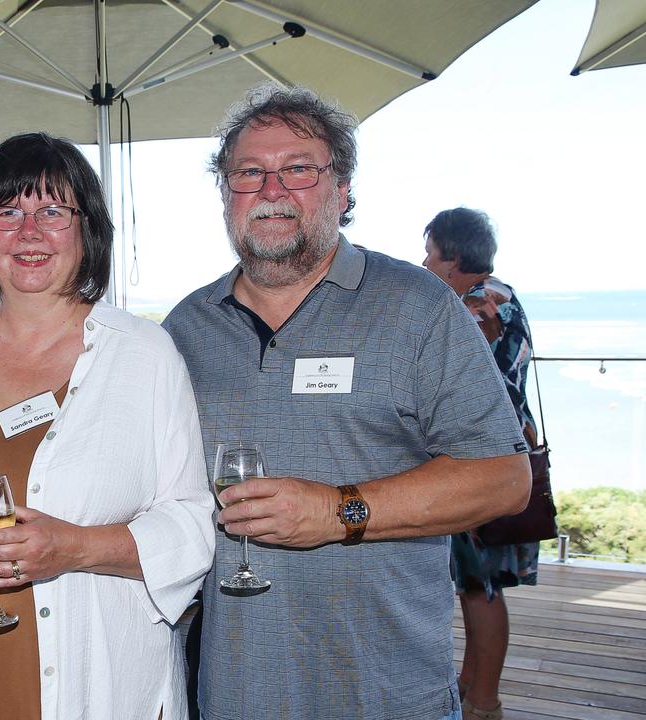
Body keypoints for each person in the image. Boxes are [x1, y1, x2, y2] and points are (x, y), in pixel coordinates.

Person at [162, 84, 532, 720]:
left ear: (343, 189)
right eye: (248, 172)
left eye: (299, 169)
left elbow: (504, 477)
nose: (271, 189)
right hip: (230, 691)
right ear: (226, 193)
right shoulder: (186, 328)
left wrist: (341, 511)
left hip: (384, 690)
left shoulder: (417, 307)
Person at [0, 132, 214, 719]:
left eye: (53, 211)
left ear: (87, 230)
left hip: (97, 679)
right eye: (8, 211)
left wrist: (73, 548)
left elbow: (191, 525)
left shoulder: (144, 354)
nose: (30, 232)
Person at [424, 207, 539, 720]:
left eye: (430, 251)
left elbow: (486, 391)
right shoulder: (505, 297)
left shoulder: (476, 306)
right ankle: (469, 685)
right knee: (477, 583)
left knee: (480, 585)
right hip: (498, 458)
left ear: (453, 257)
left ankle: (484, 702)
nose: (423, 261)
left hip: (482, 464)